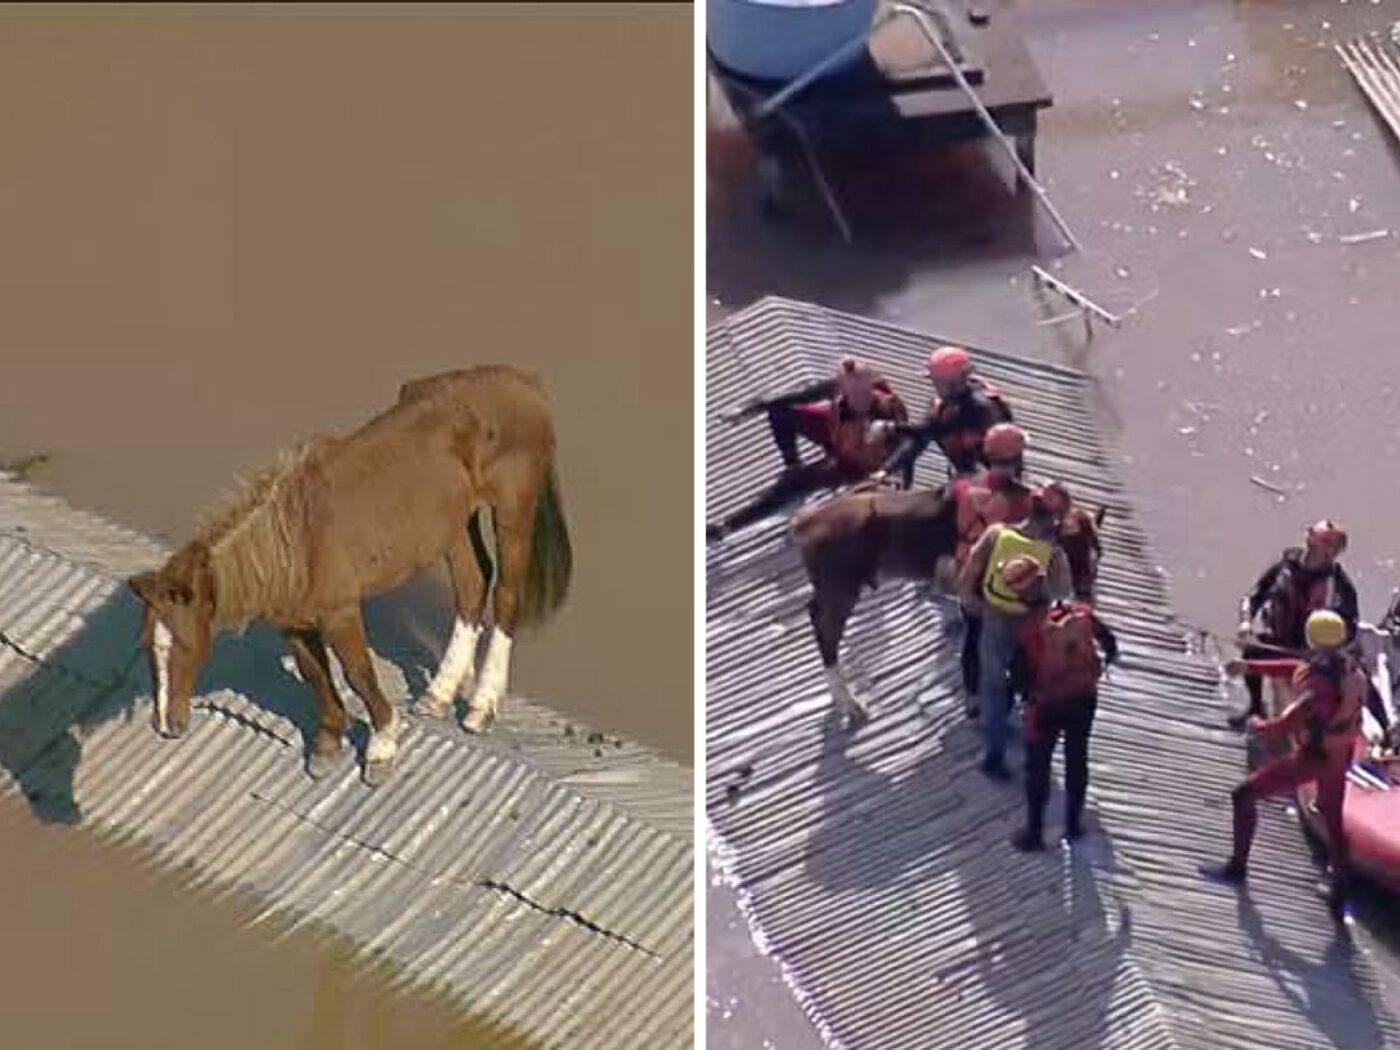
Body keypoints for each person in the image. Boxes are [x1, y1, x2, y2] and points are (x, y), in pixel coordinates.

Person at [1202, 610, 1367, 917]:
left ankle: (1236, 868)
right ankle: (1341, 887)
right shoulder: (1345, 667)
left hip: (1315, 757)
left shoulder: (1320, 685)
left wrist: (1257, 723)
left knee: (1244, 794)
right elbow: (1295, 668)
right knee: (1332, 816)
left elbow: (1287, 723)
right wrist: (1251, 665)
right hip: (1339, 753)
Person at [706, 358, 907, 543]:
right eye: (849, 391)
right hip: (835, 434)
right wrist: (752, 409)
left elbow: (904, 449)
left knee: (793, 484)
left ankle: (727, 526)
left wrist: (886, 476)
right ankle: (792, 464)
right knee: (780, 410)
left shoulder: (888, 409)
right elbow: (800, 396)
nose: (855, 397)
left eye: (861, 392)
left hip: (856, 464)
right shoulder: (841, 391)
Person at [1003, 562, 1120, 850]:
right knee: (1076, 760)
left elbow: (1018, 678)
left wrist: (1029, 695)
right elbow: (1111, 645)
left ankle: (1034, 832)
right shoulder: (1080, 615)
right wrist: (1096, 669)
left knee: (1039, 767)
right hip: (1083, 698)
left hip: (1048, 705)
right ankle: (1073, 825)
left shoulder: (1026, 631)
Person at [958, 487, 1073, 780]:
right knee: (1035, 689)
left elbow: (968, 576)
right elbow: (1063, 591)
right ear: (1056, 520)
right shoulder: (1054, 553)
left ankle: (993, 756)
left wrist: (976, 606)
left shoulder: (996, 534)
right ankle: (1036, 753)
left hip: (994, 619)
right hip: (1033, 627)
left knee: (993, 687)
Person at [1231, 520, 1359, 729]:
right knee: (1251, 652)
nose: (1320, 550)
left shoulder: (1340, 586)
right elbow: (1255, 595)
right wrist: (1245, 623)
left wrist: (1326, 651)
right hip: (1276, 639)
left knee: (1311, 688)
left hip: (1308, 651)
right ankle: (1255, 708)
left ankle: (1297, 729)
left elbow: (1350, 630)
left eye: (1328, 546)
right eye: (1316, 540)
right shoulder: (1285, 565)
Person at [880, 346, 1014, 486]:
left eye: (940, 382)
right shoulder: (940, 405)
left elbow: (934, 428)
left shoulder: (983, 407)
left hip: (997, 482)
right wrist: (887, 469)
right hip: (964, 478)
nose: (936, 387)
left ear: (958, 381)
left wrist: (893, 427)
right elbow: (919, 440)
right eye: (935, 381)